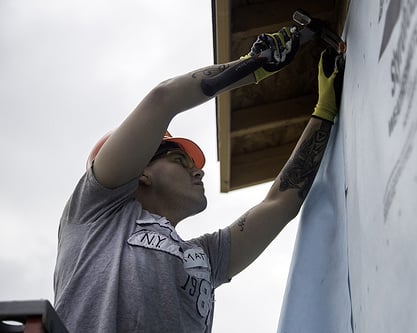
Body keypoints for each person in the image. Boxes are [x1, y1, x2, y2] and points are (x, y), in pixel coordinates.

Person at [53, 26, 345, 333]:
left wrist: (324, 111)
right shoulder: (96, 216)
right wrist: (254, 64)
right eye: (180, 160)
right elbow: (163, 99)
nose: (198, 170)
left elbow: (281, 202)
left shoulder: (203, 258)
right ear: (141, 171)